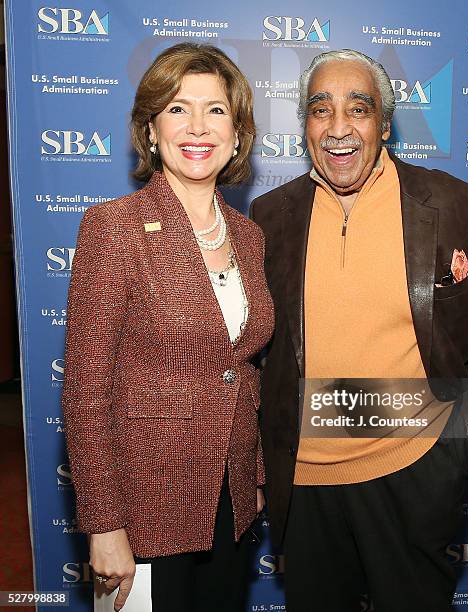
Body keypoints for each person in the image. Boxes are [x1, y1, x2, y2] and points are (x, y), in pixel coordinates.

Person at [250, 49, 468, 612]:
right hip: (305, 486)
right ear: (305, 125)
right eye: (321, 110)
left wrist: (447, 455)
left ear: (386, 124)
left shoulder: (458, 206)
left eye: (359, 108)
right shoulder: (269, 216)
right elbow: (259, 357)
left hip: (413, 473)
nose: (339, 127)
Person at [62, 42, 274, 612]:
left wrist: (252, 478)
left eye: (216, 109)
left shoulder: (248, 237)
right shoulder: (116, 229)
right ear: (151, 129)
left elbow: (242, 369)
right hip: (145, 506)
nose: (198, 126)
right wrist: (105, 525)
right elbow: (86, 389)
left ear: (237, 132)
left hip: (228, 503)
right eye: (178, 108)